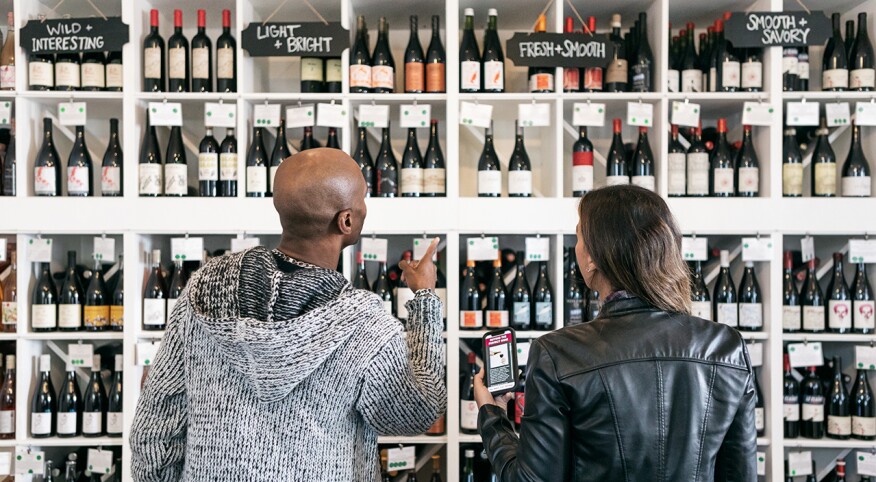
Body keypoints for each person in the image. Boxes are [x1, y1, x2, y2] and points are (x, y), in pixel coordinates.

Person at [130, 148, 446, 481]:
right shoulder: (364, 325)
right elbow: (415, 411)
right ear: (346, 220)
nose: (365, 207)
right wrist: (425, 298)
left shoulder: (205, 291)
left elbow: (156, 426)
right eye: (363, 199)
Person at [474, 185, 756, 481]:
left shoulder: (558, 353)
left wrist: (493, 417)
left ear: (594, 257)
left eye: (579, 236)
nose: (576, 247)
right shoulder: (727, 348)